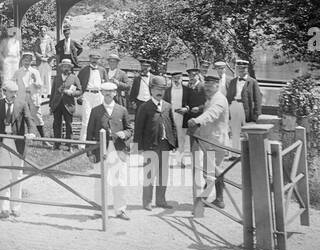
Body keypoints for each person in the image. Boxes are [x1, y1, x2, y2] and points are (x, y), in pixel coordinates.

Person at [86, 81, 133, 219]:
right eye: (105, 92)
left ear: (115, 93)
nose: (108, 94)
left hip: (118, 148)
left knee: (120, 181)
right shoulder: (96, 111)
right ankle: (99, 210)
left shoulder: (122, 110)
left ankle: (120, 210)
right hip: (101, 150)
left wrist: (125, 134)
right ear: (101, 93)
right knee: (100, 180)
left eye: (111, 91)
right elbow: (89, 133)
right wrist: (90, 152)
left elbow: (130, 129)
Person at [0, 80, 26, 219]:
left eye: (15, 92)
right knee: (3, 175)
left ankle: (16, 207)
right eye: (11, 92)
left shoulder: (21, 104)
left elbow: (30, 120)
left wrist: (31, 132)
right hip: (1, 142)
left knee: (17, 175)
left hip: (17, 142)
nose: (13, 95)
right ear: (4, 92)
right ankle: (4, 208)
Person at [134, 77, 179, 210]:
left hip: (165, 145)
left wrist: (174, 143)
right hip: (150, 146)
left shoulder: (167, 106)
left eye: (162, 89)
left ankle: (161, 200)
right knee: (149, 174)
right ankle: (147, 201)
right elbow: (138, 129)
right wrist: (138, 147)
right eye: (157, 89)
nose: (160, 92)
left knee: (163, 174)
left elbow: (172, 125)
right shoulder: (145, 107)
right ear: (151, 90)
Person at [187, 72, 229, 209]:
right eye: (207, 85)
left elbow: (212, 113)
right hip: (211, 141)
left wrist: (197, 120)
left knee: (210, 172)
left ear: (218, 85)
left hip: (215, 142)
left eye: (211, 86)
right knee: (215, 171)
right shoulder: (211, 98)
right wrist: (197, 109)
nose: (208, 88)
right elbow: (207, 109)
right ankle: (219, 199)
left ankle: (203, 200)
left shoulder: (219, 99)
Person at [49, 57, 83, 149]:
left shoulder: (74, 78)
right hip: (57, 104)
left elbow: (80, 91)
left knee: (69, 125)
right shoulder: (56, 78)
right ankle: (57, 144)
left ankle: (69, 145)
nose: (66, 68)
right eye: (64, 66)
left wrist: (72, 93)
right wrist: (50, 105)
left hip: (68, 104)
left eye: (68, 66)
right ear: (61, 67)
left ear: (70, 67)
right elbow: (52, 92)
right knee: (56, 124)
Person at [14, 51, 46, 140]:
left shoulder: (35, 71)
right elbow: (13, 83)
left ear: (32, 61)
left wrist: (35, 80)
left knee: (37, 117)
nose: (27, 62)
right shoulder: (18, 72)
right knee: (21, 116)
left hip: (32, 97)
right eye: (25, 60)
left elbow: (40, 85)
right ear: (22, 61)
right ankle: (20, 139)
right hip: (22, 97)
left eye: (29, 60)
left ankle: (44, 139)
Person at [227, 58, 263, 123]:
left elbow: (257, 99)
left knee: (245, 130)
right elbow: (228, 98)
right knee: (234, 128)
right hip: (234, 107)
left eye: (243, 68)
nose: (241, 70)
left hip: (246, 109)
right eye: (239, 68)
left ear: (247, 69)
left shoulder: (252, 82)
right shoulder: (232, 81)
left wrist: (256, 114)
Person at [79, 53, 105, 118]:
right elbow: (77, 83)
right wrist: (79, 95)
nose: (94, 60)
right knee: (86, 116)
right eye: (93, 58)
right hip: (87, 95)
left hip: (99, 95)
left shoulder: (102, 70)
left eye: (96, 59)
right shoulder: (84, 69)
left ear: (99, 60)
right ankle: (85, 128)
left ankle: (98, 128)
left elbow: (106, 83)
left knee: (98, 116)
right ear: (90, 59)